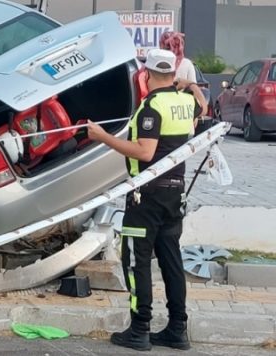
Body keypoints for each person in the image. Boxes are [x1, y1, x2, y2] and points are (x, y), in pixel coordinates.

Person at [87, 49, 207, 352]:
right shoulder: (185, 101)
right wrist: (188, 86)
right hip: (174, 194)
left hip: (147, 196)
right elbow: (202, 106)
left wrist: (102, 137)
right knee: (171, 260)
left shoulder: (151, 106)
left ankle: (139, 329)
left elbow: (144, 152)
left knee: (136, 261)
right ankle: (177, 329)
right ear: (174, 73)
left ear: (146, 74)